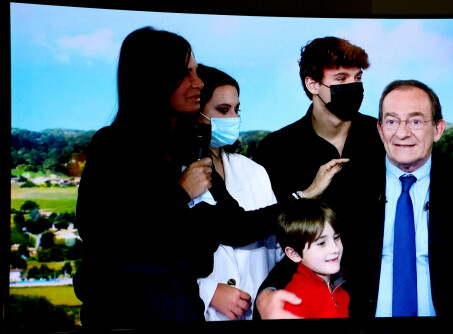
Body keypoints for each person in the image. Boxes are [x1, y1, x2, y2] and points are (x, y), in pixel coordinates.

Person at [72, 27, 343, 330]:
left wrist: (302, 198)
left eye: (196, 72)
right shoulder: (113, 146)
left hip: (182, 311)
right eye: (187, 73)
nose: (198, 82)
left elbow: (236, 226)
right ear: (156, 78)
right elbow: (104, 233)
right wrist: (180, 194)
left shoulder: (190, 154)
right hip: (125, 316)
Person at [256, 78, 453, 319]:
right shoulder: (349, 184)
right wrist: (268, 293)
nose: (401, 133)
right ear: (379, 130)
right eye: (391, 122)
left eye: (415, 121)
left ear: (438, 129)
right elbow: (308, 245)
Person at [253, 36, 386, 319]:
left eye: (358, 77)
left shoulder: (384, 136)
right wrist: (268, 292)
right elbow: (270, 230)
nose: (353, 86)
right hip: (317, 305)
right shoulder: (276, 150)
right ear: (312, 84)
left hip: (384, 298)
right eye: (341, 78)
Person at [194, 64, 283, 321]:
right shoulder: (175, 175)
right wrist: (207, 292)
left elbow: (276, 251)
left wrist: (270, 293)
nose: (233, 118)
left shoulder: (254, 171)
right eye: (222, 110)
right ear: (195, 111)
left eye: (236, 110)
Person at [277, 198, 349, 319]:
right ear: (294, 253)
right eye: (321, 243)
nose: (335, 249)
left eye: (336, 237)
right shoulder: (295, 300)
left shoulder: (340, 288)